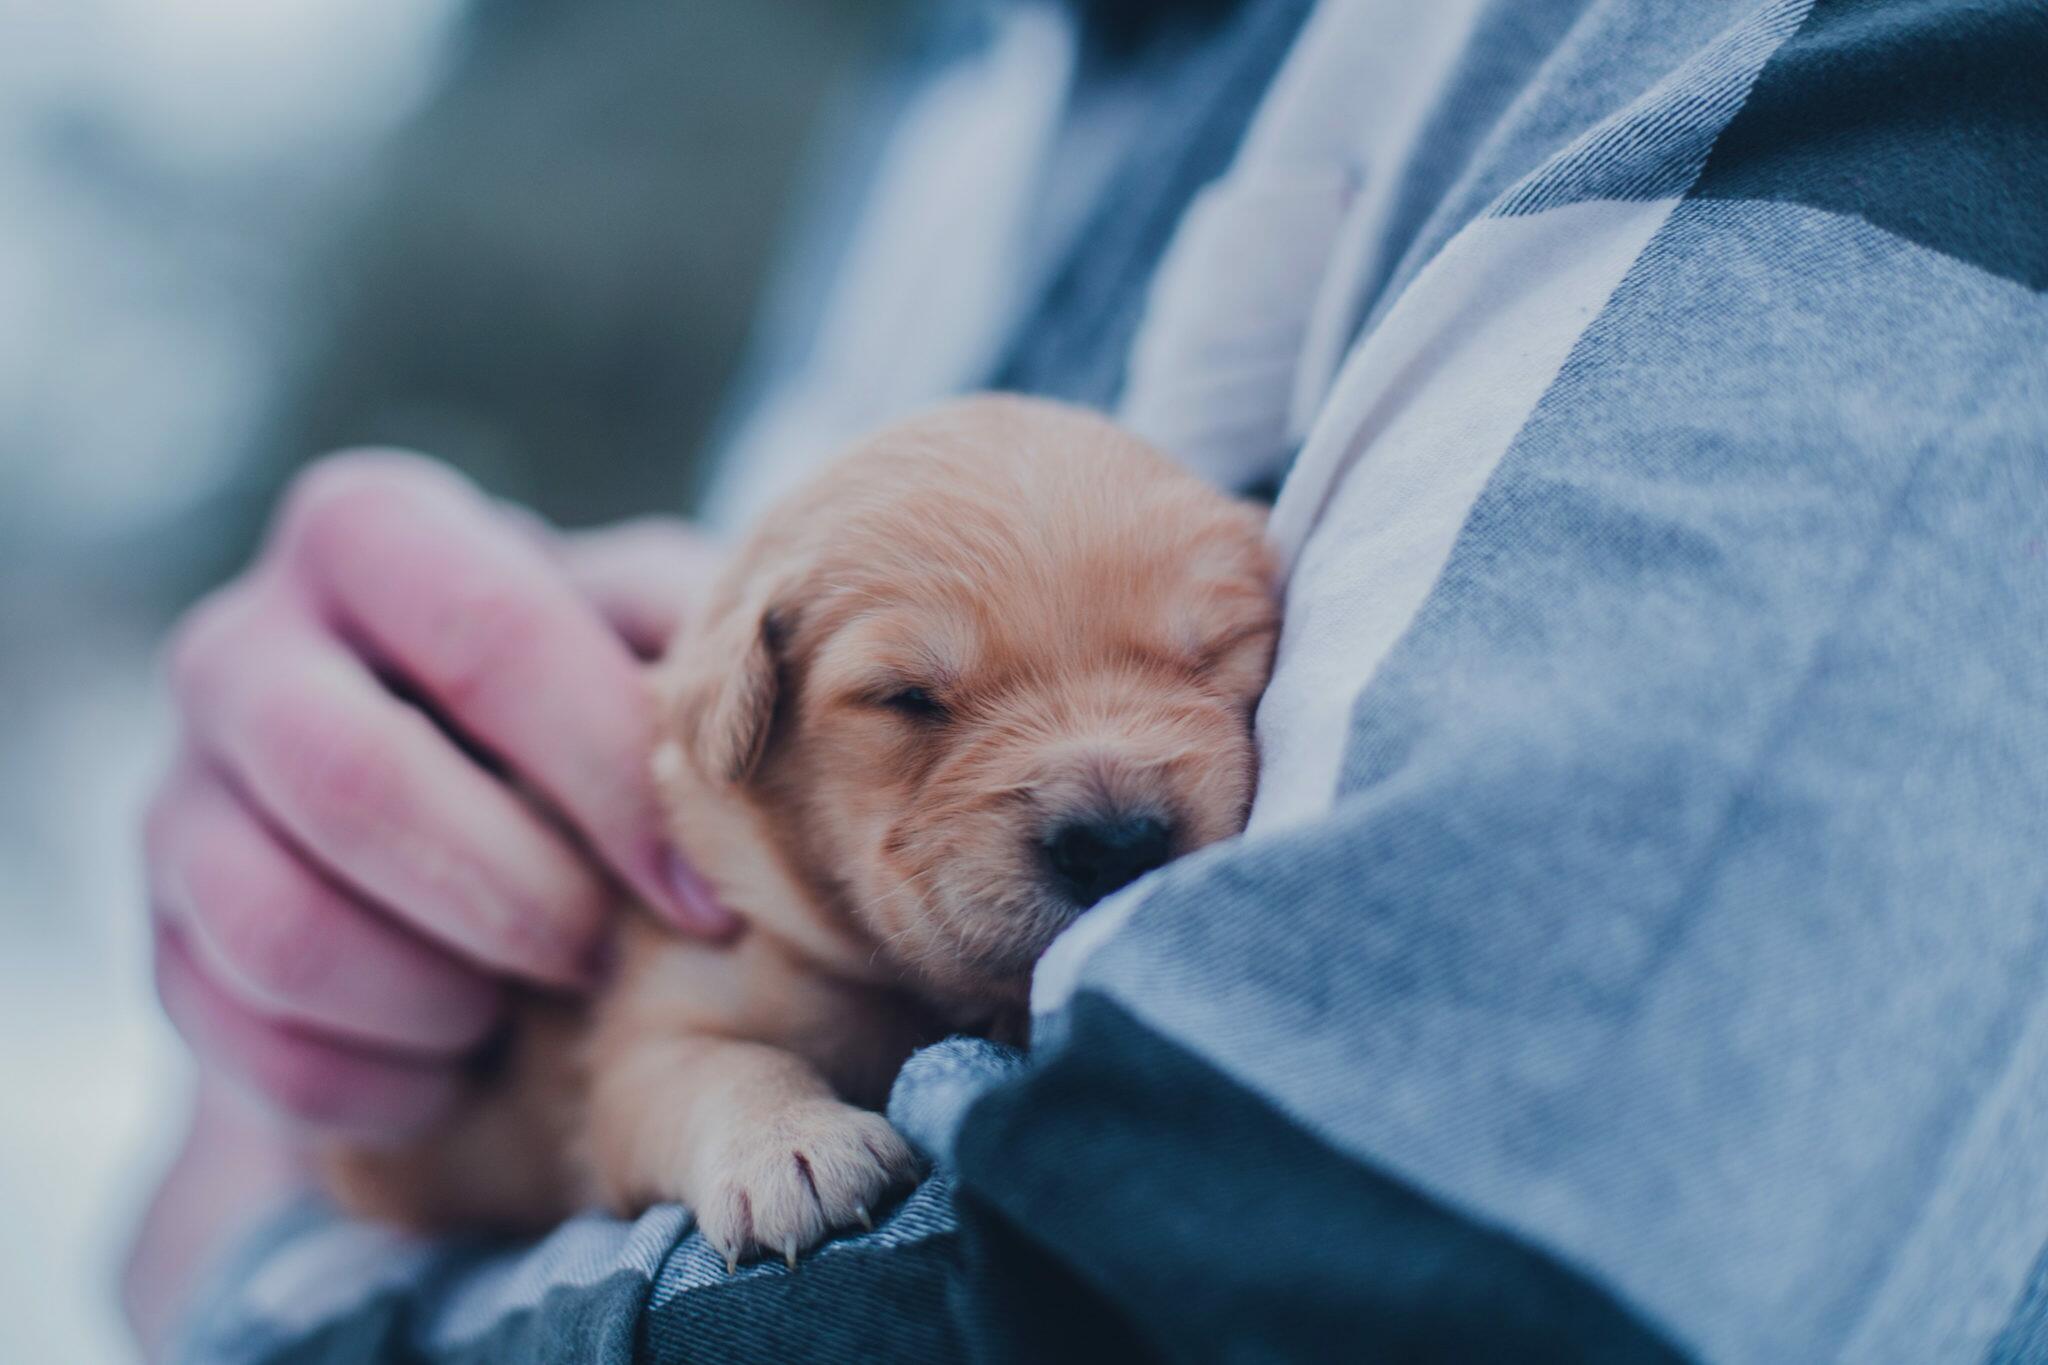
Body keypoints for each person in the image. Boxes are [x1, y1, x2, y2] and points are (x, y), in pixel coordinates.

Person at [128, 0, 2048, 1360]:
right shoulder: (959, 74)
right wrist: (292, 982)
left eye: (1211, 661)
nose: (1111, 791)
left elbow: (1242, 1297)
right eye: (918, 703)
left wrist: (254, 1282)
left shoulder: (1844, 56)